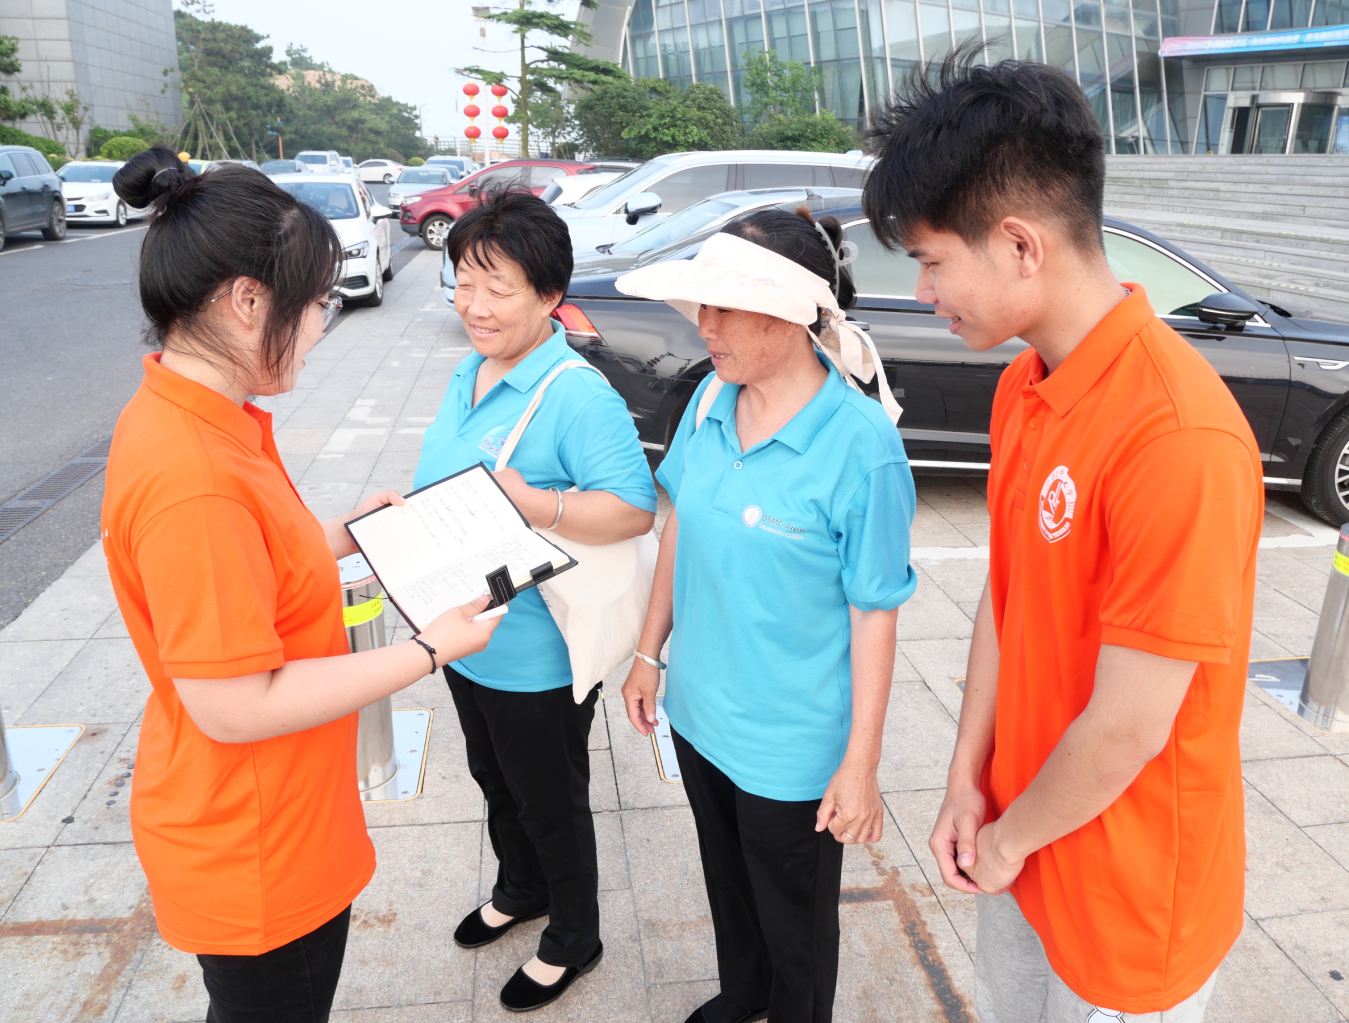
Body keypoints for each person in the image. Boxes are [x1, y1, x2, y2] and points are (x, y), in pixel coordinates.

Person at [862, 53, 1263, 1022]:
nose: (921, 291)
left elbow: (1129, 725)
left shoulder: (1178, 436)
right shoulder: (1023, 386)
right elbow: (1009, 599)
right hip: (1016, 837)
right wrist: (967, 781)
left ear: (1018, 245)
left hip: (1128, 900)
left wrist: (1005, 841)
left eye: (930, 262)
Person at [102, 147, 503, 1023]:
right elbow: (233, 703)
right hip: (256, 841)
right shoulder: (194, 477)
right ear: (247, 300)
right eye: (317, 302)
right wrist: (428, 648)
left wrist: (345, 533)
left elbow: (251, 559)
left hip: (278, 809)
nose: (322, 325)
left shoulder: (200, 416)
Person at [617, 206, 918, 1023]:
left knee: (796, 923)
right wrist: (647, 652)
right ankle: (744, 992)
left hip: (790, 745)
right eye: (701, 307)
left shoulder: (860, 446)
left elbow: (875, 612)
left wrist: (860, 763)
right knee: (729, 881)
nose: (703, 326)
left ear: (788, 313)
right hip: (699, 714)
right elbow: (679, 523)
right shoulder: (712, 398)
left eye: (723, 308)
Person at [415, 189, 657, 1012]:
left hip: (536, 653)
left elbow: (632, 509)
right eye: (463, 283)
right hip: (466, 638)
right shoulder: (469, 368)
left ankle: (574, 934)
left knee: (549, 800)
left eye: (498, 288)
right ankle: (521, 888)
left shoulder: (575, 393)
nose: (474, 306)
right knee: (493, 777)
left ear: (550, 295)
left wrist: (536, 504)